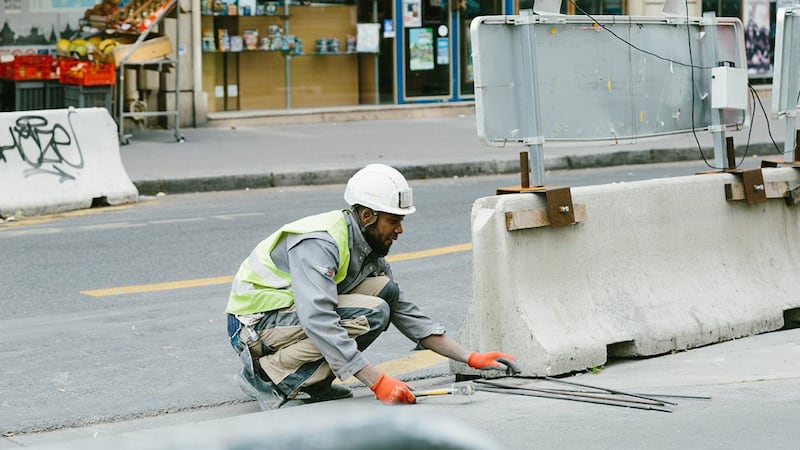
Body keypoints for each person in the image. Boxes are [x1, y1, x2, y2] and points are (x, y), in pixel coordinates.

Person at [225, 163, 516, 409]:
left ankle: (313, 382)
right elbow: (319, 319)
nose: (399, 230)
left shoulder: (366, 247)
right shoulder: (320, 242)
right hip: (253, 327)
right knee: (372, 312)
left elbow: (404, 310)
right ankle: (267, 377)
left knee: (384, 292)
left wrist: (468, 356)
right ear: (367, 216)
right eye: (393, 221)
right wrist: (376, 381)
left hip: (285, 319)